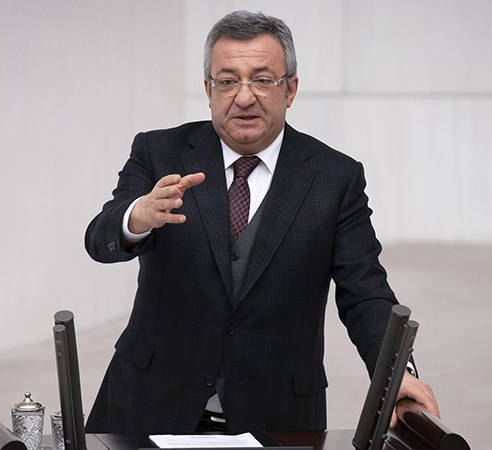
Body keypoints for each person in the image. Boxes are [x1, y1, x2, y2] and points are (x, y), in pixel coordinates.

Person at [84, 10, 438, 434]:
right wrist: (136, 217)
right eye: (227, 81)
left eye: (263, 80)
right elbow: (99, 239)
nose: (244, 97)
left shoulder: (335, 177)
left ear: (290, 89)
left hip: (277, 417)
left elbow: (365, 292)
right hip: (147, 406)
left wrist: (397, 376)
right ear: (208, 90)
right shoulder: (158, 152)